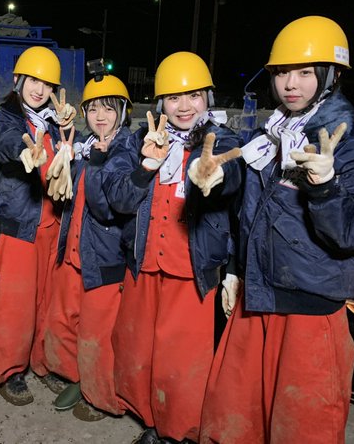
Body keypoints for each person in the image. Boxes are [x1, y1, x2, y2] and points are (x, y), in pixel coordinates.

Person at [199, 16, 354, 444]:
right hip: (258, 295)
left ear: (331, 76)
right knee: (238, 417)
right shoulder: (269, 137)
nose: (290, 84)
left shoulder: (352, 148)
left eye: (305, 72)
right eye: (282, 72)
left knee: (303, 426)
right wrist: (234, 268)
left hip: (309, 311)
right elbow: (249, 212)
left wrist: (326, 188)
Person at [100, 52, 243, 443]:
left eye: (194, 96)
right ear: (161, 102)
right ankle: (152, 419)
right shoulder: (137, 141)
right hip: (145, 265)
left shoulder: (221, 140)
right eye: (174, 97)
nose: (184, 106)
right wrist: (145, 166)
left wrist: (215, 173)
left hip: (190, 272)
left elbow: (233, 176)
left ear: (207, 99)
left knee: (182, 361)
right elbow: (118, 198)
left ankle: (176, 433)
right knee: (139, 351)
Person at [0, 45, 78, 405]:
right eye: (33, 81)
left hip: (53, 226)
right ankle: (9, 370)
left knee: (46, 303)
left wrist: (68, 130)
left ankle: (42, 363)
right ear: (18, 81)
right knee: (14, 305)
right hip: (20, 228)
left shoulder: (54, 122)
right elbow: (4, 141)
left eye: (47, 84)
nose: (39, 90)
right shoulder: (6, 119)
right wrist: (23, 151)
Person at [42, 74, 134, 421]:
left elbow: (112, 206)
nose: (100, 117)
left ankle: (103, 395)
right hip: (75, 249)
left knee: (98, 333)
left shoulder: (128, 150)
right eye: (93, 109)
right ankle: (77, 378)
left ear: (122, 112)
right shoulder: (84, 145)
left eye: (109, 109)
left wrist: (97, 162)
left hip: (105, 257)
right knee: (64, 320)